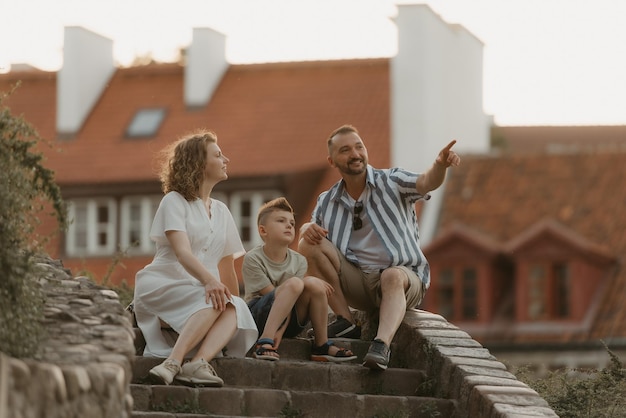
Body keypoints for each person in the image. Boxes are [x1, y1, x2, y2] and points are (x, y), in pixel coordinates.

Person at [298, 124, 460, 371]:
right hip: (359, 281)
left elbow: (426, 182)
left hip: (403, 279)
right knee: (307, 243)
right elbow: (311, 236)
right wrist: (305, 228)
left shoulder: (392, 180)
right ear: (332, 161)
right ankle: (345, 320)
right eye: (345, 150)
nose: (355, 154)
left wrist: (439, 165)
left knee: (391, 275)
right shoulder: (327, 201)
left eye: (358, 146)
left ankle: (381, 345)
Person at [133, 129, 258, 387]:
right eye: (219, 155)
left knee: (232, 304)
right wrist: (211, 283)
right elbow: (182, 253)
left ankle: (198, 364)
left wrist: (235, 306)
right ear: (199, 163)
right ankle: (172, 362)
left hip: (201, 295)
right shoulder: (174, 201)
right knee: (215, 298)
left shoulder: (222, 211)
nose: (226, 160)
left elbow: (227, 268)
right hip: (163, 285)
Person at [243, 197, 356, 362]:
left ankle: (321, 345)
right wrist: (275, 332)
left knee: (312, 285)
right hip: (258, 316)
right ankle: (264, 341)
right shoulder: (253, 258)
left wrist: (281, 331)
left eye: (292, 223)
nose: (289, 225)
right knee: (298, 283)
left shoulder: (299, 261)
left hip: (289, 320)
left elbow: (291, 300)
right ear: (263, 230)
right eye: (281, 221)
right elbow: (277, 299)